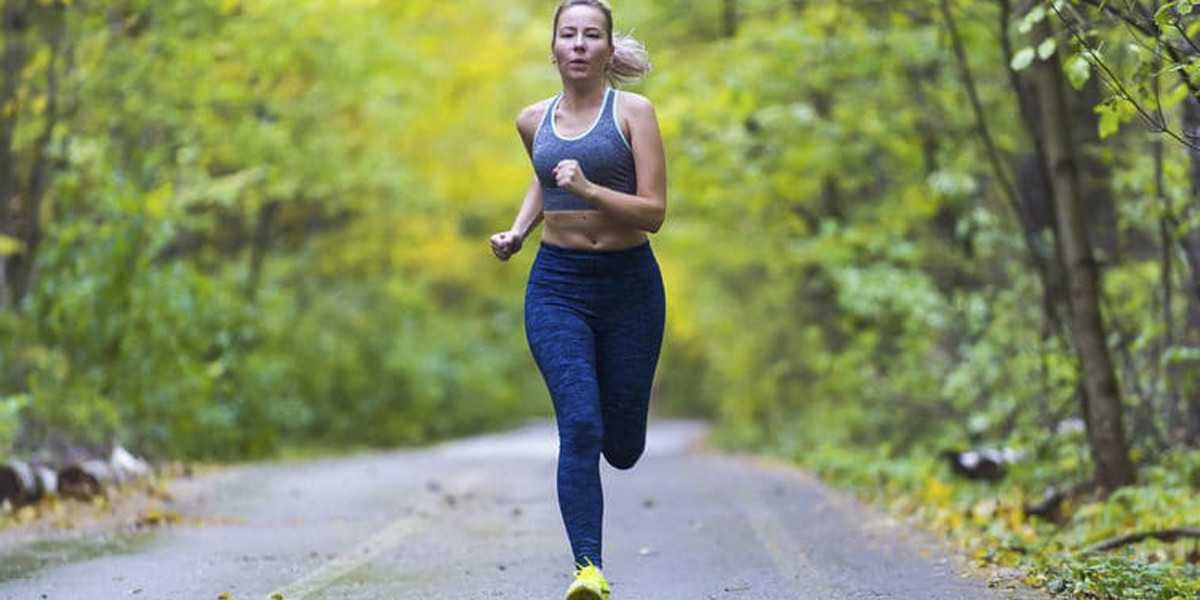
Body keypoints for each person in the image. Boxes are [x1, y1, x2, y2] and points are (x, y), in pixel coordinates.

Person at [489, 1, 667, 598]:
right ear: (554, 49)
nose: (580, 45)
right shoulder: (531, 120)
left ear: (609, 50)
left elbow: (655, 212)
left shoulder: (634, 114)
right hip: (557, 287)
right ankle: (588, 569)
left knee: (621, 447)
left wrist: (589, 188)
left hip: (630, 288)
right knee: (580, 424)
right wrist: (518, 232)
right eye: (569, 35)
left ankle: (621, 447)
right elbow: (544, 179)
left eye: (593, 35)